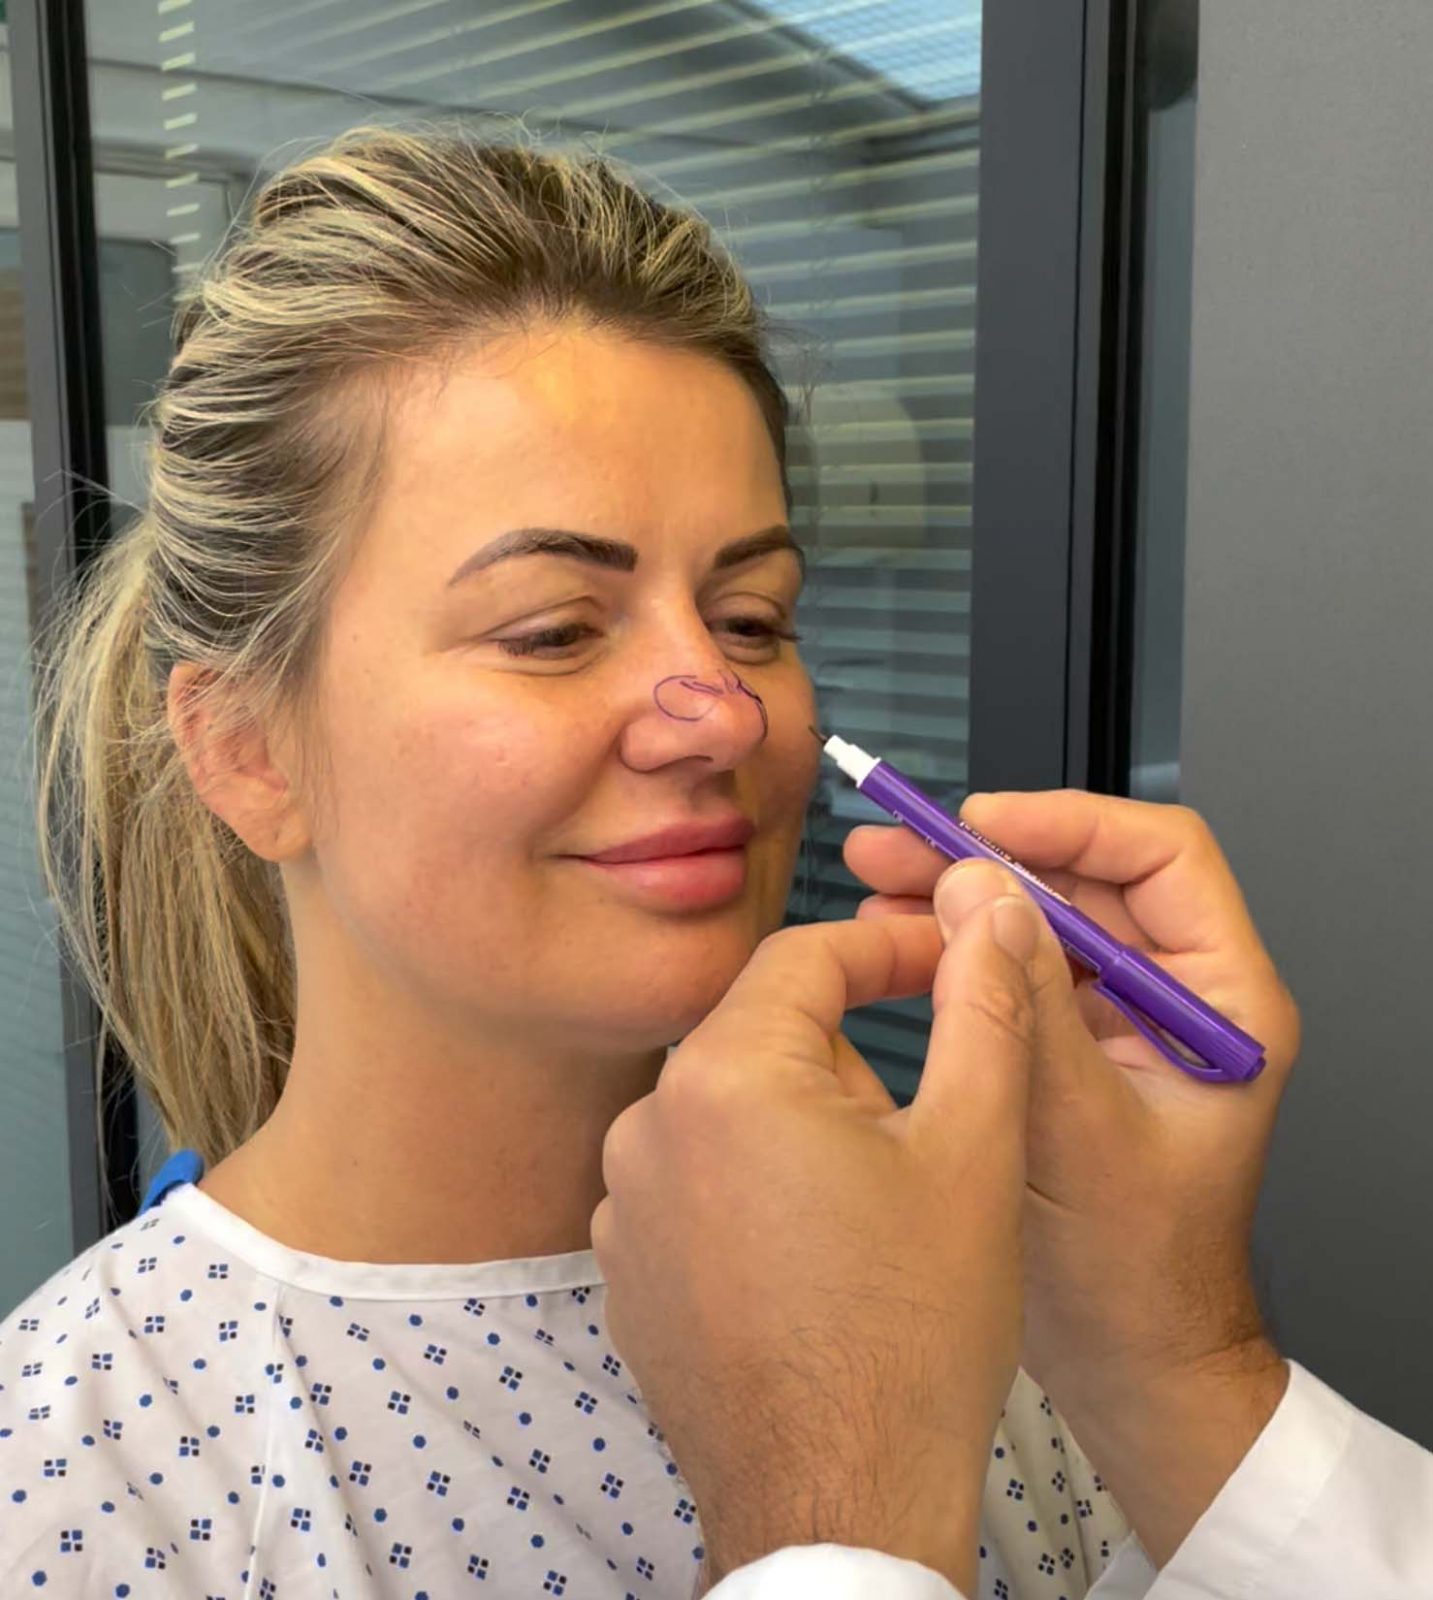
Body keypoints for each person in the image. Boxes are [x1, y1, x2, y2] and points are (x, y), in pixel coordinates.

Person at [1, 124, 1133, 1597]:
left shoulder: (964, 1300)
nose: (721, 713)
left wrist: (1175, 1336)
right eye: (552, 629)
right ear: (249, 754)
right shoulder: (74, 1488)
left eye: (751, 618)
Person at [596, 814, 1433, 1598]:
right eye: (549, 645)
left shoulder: (1007, 1359)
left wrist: (1162, 1358)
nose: (727, 712)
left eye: (754, 644)